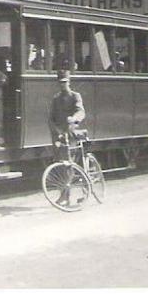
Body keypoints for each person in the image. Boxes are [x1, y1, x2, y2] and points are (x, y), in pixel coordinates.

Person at [48, 70, 87, 207]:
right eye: (60, 83)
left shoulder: (75, 96)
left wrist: (74, 118)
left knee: (70, 164)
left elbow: (80, 111)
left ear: (69, 82)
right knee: (60, 166)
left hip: (71, 134)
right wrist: (56, 132)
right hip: (59, 136)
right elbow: (51, 118)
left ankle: (80, 193)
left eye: (65, 82)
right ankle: (64, 195)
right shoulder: (56, 99)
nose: (62, 85)